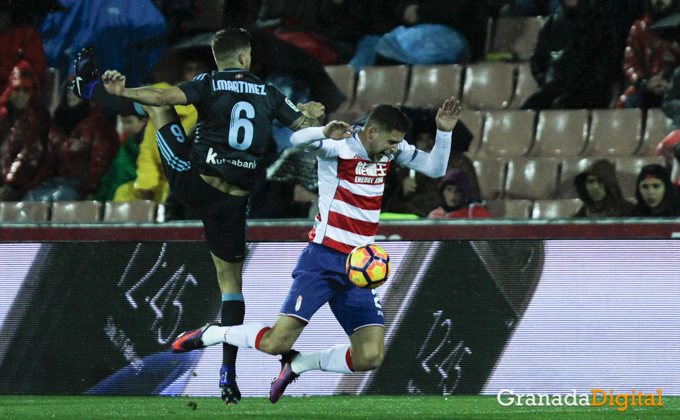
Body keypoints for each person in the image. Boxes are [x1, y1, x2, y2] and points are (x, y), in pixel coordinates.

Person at [73, 27, 323, 404]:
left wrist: (120, 91)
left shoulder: (209, 82)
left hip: (196, 186)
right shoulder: (270, 93)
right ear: (245, 58)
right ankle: (227, 373)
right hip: (234, 203)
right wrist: (310, 113)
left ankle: (89, 90)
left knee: (159, 106)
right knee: (232, 286)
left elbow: (160, 95)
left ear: (219, 57)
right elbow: (307, 129)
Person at [171, 98, 462, 404]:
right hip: (323, 259)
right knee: (275, 343)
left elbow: (435, 167)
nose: (395, 148)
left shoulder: (392, 150)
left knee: (370, 356)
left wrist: (444, 133)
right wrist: (324, 130)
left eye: (398, 143)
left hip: (359, 265)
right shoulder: (340, 146)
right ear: (372, 132)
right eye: (392, 141)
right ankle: (213, 333)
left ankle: (298, 365)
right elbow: (296, 139)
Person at [24, 76, 119, 202]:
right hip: (57, 181)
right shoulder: (57, 124)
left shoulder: (99, 125)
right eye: (69, 89)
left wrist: (91, 188)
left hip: (82, 184)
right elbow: (48, 161)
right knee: (31, 198)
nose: (72, 94)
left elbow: (100, 161)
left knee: (61, 197)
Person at [519, 0, 617, 110]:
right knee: (526, 109)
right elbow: (537, 60)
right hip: (555, 87)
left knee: (561, 105)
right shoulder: (551, 23)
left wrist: (588, 82)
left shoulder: (599, 22)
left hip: (589, 90)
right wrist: (548, 80)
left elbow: (607, 61)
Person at [0, 61, 50, 201]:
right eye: (17, 89)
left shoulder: (39, 116)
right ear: (10, 89)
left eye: (26, 90)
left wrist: (10, 184)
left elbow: (31, 153)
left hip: (24, 185)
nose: (21, 94)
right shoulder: (2, 116)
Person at [617, 0, 680, 109]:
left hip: (676, 88)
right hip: (647, 89)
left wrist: (670, 82)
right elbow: (630, 63)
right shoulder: (639, 28)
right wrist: (645, 82)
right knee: (630, 103)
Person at [92, 114, 149, 202]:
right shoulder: (126, 146)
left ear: (144, 121)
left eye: (130, 122)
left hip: (132, 199)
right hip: (114, 201)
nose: (126, 127)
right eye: (123, 123)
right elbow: (110, 177)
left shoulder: (152, 146)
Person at [427, 168, 492, 218]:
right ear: (442, 192)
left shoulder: (476, 213)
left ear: (464, 193)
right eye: (449, 190)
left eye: (458, 191)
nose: (453, 195)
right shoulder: (435, 215)